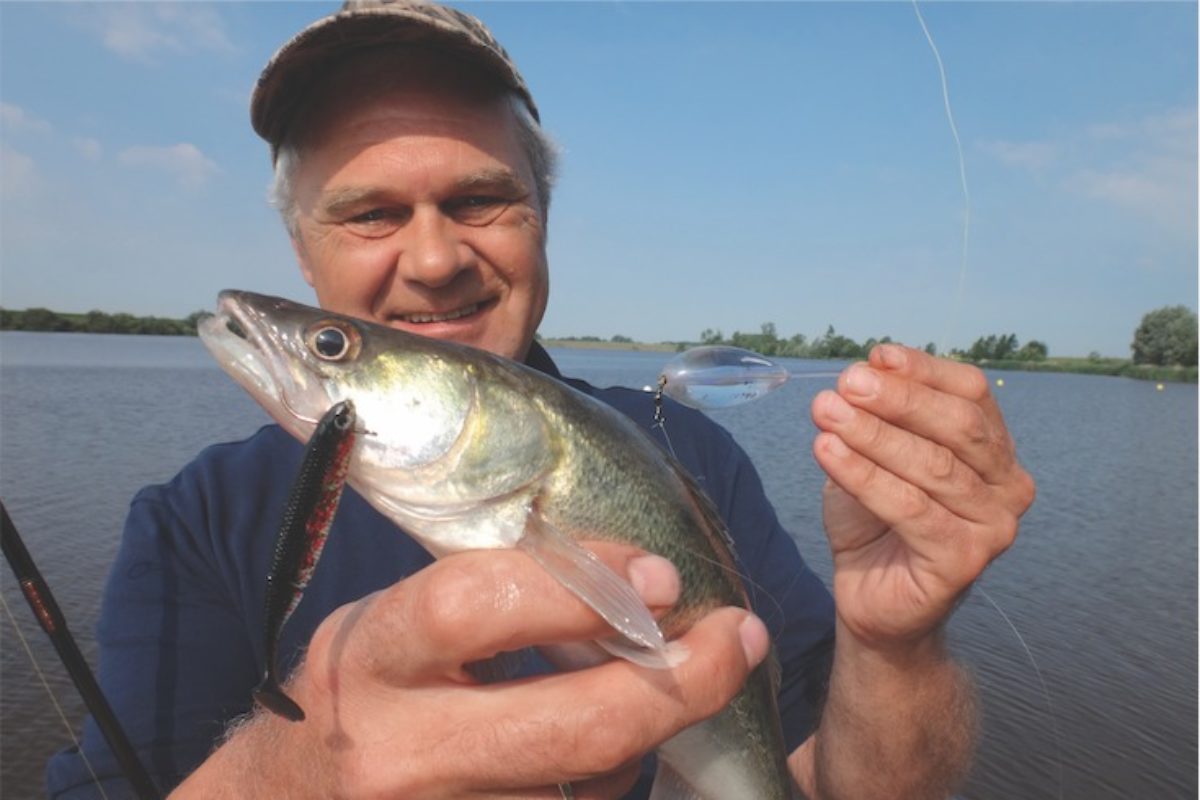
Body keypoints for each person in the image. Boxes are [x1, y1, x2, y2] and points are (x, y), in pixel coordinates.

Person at [47, 2, 1035, 798]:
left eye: (480, 199)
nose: (434, 259)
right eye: (371, 214)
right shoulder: (194, 521)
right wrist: (286, 772)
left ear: (543, 222)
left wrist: (894, 646)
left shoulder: (687, 452)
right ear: (304, 256)